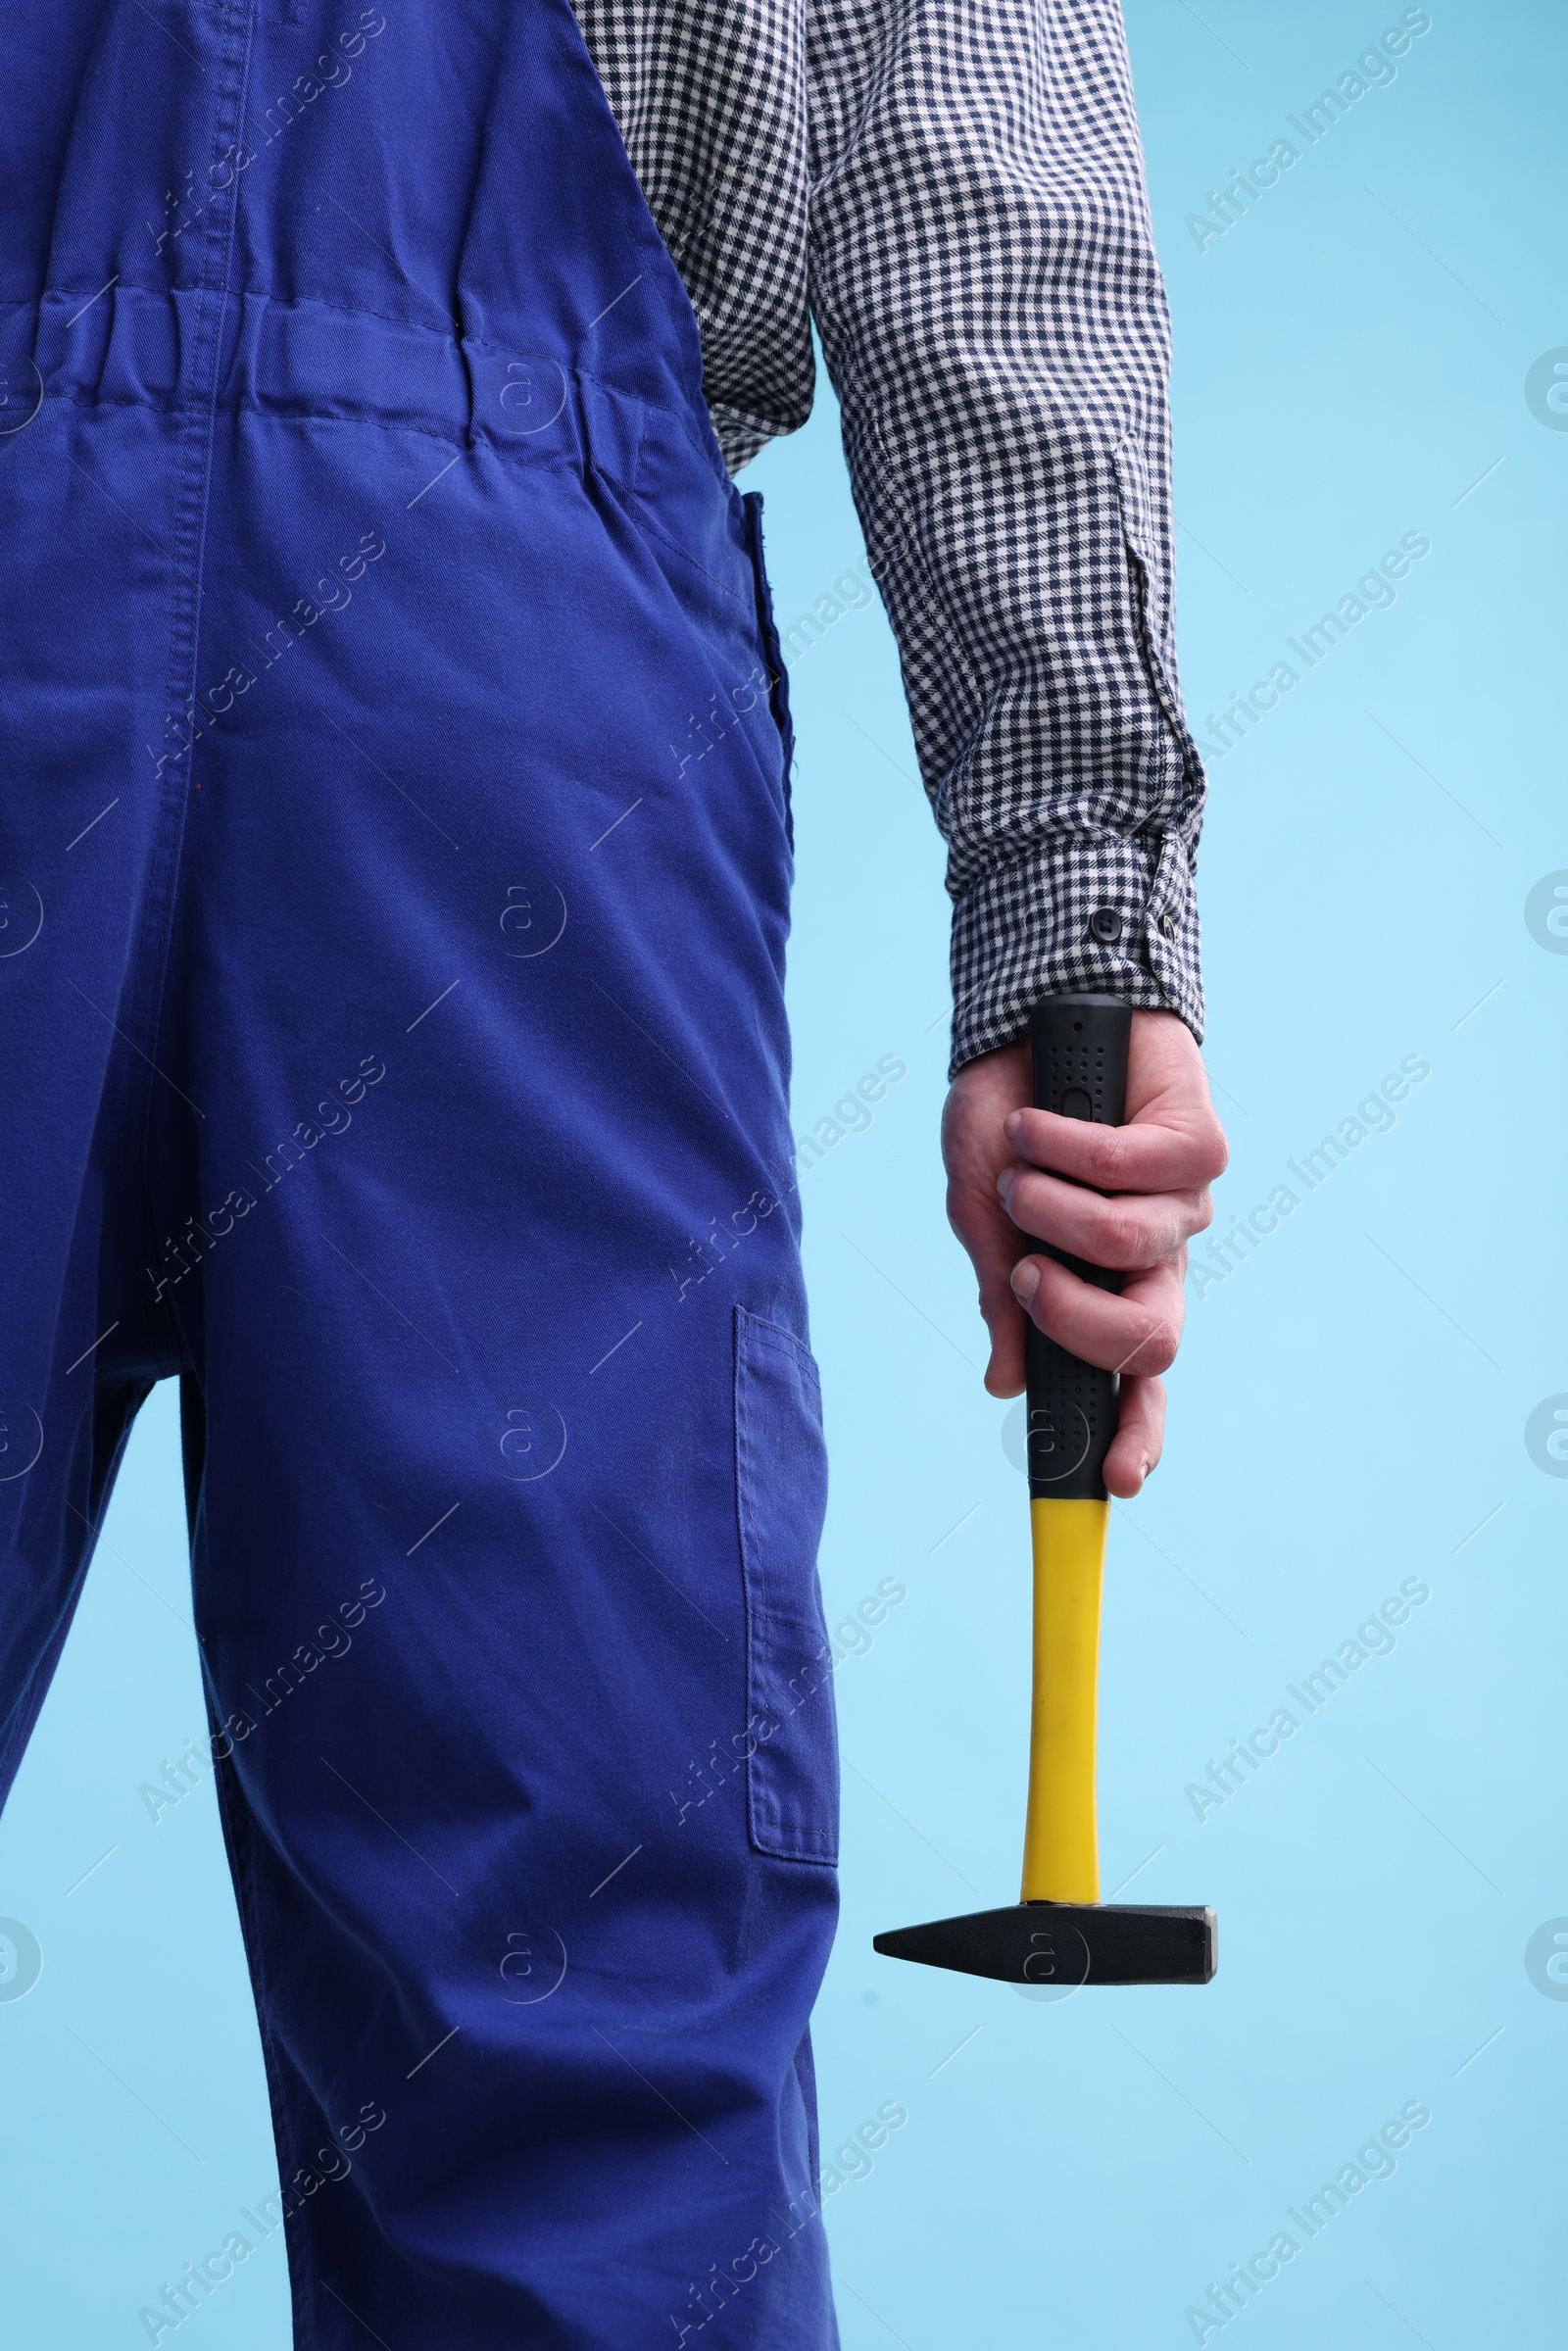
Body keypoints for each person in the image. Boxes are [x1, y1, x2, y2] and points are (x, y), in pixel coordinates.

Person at [0, 1, 1224, 2341]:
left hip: (473, 596)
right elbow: (977, 146)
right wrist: (1073, 916)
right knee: (579, 2069)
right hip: (509, 688)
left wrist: (1081, 905)